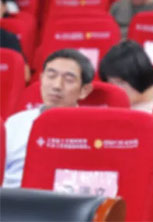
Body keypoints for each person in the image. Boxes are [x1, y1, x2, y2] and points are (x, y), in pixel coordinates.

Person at [3, 49, 94, 187]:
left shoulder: (91, 129)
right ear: (41, 79)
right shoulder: (15, 123)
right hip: (12, 197)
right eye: (51, 76)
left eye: (69, 79)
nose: (57, 85)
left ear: (84, 90)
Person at [99, 40, 153, 112]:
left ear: (140, 75)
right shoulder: (113, 107)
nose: (116, 89)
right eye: (111, 84)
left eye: (121, 82)